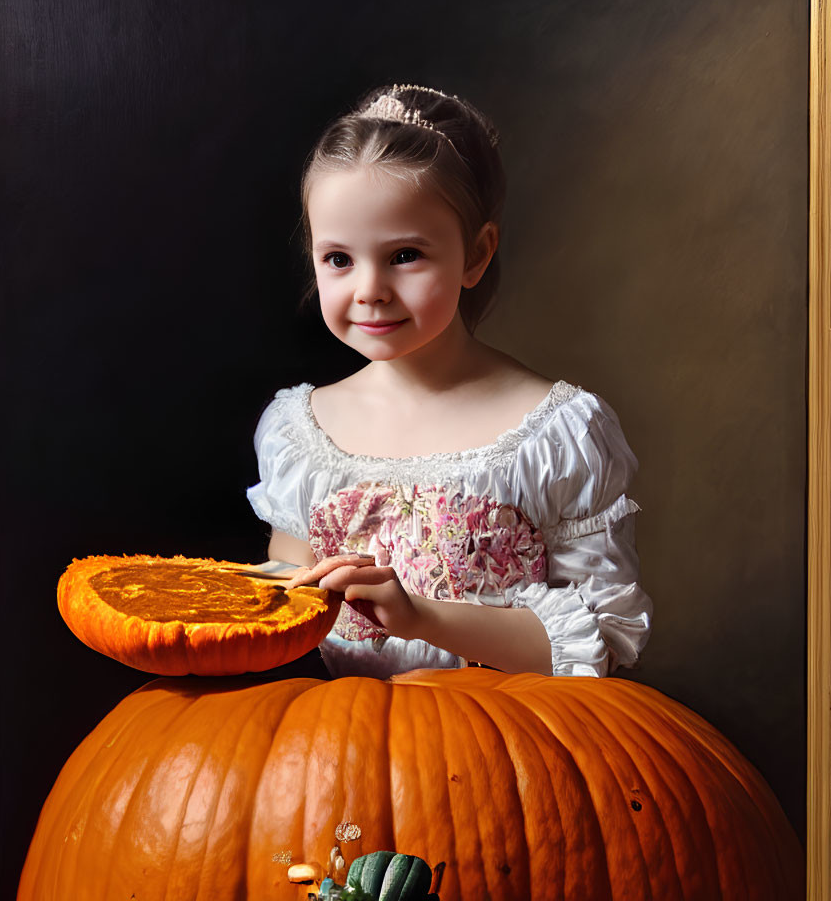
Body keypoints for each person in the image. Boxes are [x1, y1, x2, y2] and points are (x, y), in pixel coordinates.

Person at [246, 83, 652, 679]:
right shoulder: (298, 434)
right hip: (339, 747)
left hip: (504, 744)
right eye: (338, 258)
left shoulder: (556, 435)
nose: (369, 290)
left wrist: (422, 619)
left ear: (476, 254)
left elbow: (603, 635)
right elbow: (283, 607)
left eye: (405, 255)